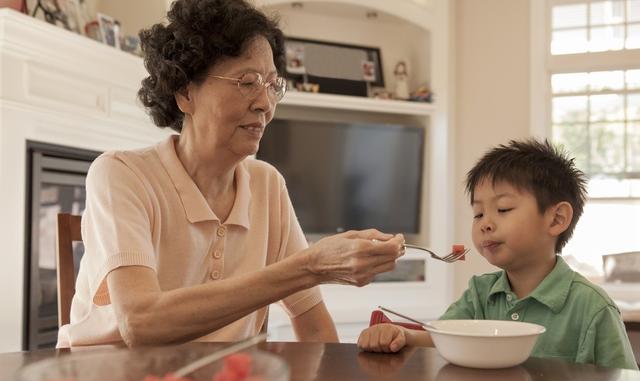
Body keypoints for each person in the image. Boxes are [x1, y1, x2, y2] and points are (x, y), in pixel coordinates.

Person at [56, 0, 404, 348]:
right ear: (184, 92)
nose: (265, 104)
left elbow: (313, 328)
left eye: (271, 85)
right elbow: (140, 322)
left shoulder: (267, 185)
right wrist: (308, 267)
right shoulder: (121, 175)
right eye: (247, 81)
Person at [358, 139, 638, 370]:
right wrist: (402, 335)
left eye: (503, 209)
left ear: (556, 219)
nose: (485, 223)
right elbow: (444, 338)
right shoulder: (480, 293)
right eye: (478, 213)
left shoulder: (593, 308)